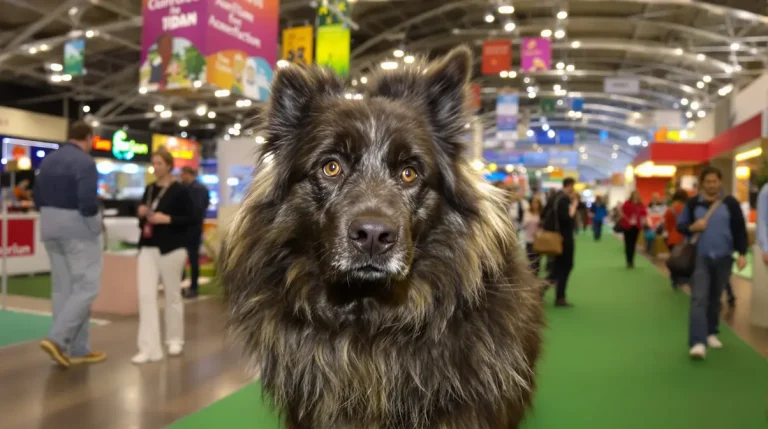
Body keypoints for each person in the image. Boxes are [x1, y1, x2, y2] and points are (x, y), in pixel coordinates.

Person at [33, 121, 105, 368]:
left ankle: (77, 349)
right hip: (77, 230)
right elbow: (87, 202)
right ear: (89, 137)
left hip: (49, 228)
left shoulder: (48, 160)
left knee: (63, 290)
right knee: (87, 287)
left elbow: (37, 197)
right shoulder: (85, 163)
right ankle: (58, 339)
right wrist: (96, 225)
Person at [133, 150, 198, 364]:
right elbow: (143, 222)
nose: (156, 167)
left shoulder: (180, 190)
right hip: (147, 246)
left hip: (172, 248)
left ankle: (174, 339)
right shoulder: (149, 189)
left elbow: (192, 218)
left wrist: (167, 219)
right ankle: (148, 347)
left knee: (172, 295)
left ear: (169, 165)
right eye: (154, 163)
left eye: (159, 163)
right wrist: (142, 214)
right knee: (145, 296)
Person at [677, 166, 747, 360]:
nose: (711, 185)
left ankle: (711, 332)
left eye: (714, 181)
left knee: (715, 297)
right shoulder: (693, 204)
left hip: (724, 257)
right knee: (699, 298)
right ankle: (697, 342)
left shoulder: (730, 203)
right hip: (700, 256)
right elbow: (681, 226)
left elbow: (739, 229)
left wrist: (742, 253)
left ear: (720, 182)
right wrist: (693, 227)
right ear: (702, 184)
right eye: (707, 182)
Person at [541, 178, 578, 307]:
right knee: (566, 266)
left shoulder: (554, 197)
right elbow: (567, 219)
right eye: (573, 186)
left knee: (558, 266)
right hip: (564, 237)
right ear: (569, 185)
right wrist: (574, 206)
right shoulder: (564, 200)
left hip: (556, 237)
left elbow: (543, 214)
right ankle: (557, 295)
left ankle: (548, 291)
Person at [179, 166, 210, 298]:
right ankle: (185, 285)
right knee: (182, 258)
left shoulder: (197, 189)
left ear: (188, 174)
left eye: (182, 174)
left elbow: (198, 209)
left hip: (192, 228)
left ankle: (193, 287)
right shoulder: (189, 188)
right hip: (188, 228)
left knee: (192, 258)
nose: (181, 177)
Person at [664, 189, 689, 290]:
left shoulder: (670, 209)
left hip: (672, 238)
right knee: (683, 260)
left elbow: (667, 225)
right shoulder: (687, 208)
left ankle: (674, 279)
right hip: (684, 238)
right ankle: (682, 279)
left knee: (674, 259)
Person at [620, 191, 647, 268]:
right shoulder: (627, 204)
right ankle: (628, 260)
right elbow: (622, 212)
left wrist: (643, 221)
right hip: (627, 225)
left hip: (636, 226)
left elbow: (644, 214)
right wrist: (628, 219)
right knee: (628, 243)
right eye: (634, 195)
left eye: (637, 195)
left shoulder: (641, 205)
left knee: (633, 243)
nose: (636, 197)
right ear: (631, 196)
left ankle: (631, 260)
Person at [523, 197, 544, 278]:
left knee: (538, 262)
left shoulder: (541, 213)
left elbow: (543, 226)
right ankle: (531, 278)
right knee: (531, 261)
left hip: (539, 241)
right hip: (529, 240)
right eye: (533, 202)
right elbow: (524, 225)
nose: (535, 204)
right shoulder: (527, 212)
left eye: (537, 202)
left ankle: (535, 278)